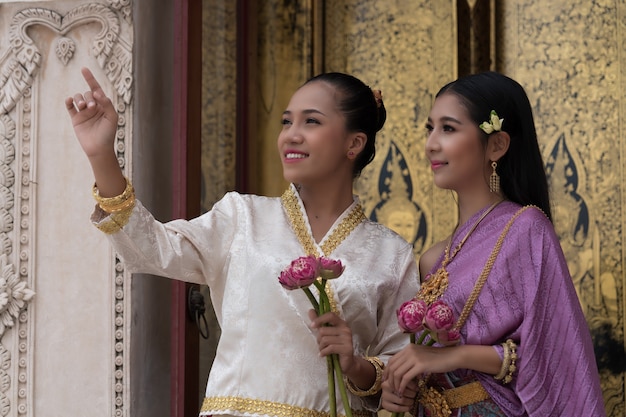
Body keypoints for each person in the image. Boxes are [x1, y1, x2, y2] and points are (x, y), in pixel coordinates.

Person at [66, 68, 420, 417]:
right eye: (286, 122)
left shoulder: (391, 254)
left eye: (311, 122)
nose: (291, 136)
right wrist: (102, 156)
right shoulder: (242, 217)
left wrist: (356, 365)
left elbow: (400, 367)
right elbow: (153, 249)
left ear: (354, 143)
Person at [380, 71, 606, 416]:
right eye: (430, 128)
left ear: (497, 145)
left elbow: (551, 353)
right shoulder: (432, 258)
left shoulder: (526, 228)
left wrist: (452, 355)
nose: (431, 144)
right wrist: (405, 389)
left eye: (449, 128)